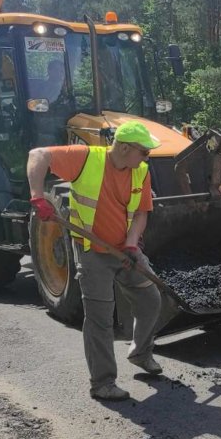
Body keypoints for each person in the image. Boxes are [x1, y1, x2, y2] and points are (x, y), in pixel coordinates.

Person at [27, 121, 163, 402]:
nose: (146, 157)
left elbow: (140, 213)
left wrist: (130, 245)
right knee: (100, 317)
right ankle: (102, 383)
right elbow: (38, 155)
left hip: (124, 249)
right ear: (125, 148)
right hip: (92, 251)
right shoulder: (87, 158)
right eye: (144, 152)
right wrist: (37, 196)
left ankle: (140, 352)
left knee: (151, 299)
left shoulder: (141, 171)